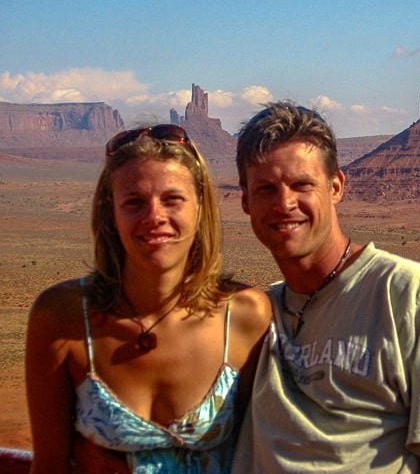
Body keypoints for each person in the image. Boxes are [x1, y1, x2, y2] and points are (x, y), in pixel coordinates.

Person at [232, 102, 420, 473]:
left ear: (336, 187)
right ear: (245, 201)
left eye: (302, 185)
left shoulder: (408, 295)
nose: (284, 203)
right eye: (266, 189)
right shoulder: (253, 317)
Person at [25, 124, 271, 473]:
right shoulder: (62, 317)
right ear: (111, 212)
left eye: (172, 199)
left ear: (200, 207)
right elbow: (49, 467)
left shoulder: (246, 316)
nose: (154, 217)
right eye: (134, 202)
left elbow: (263, 454)